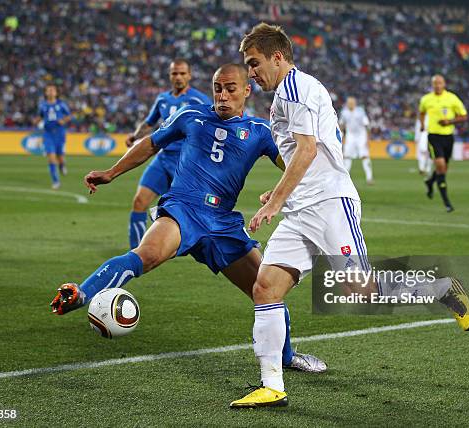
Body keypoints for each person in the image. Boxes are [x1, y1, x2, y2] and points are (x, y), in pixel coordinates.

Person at [235, 23, 469, 408]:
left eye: (254, 62)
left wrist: (275, 200)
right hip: (301, 211)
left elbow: (309, 151)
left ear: (277, 57)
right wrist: (282, 192)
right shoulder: (288, 93)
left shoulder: (295, 88)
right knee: (265, 287)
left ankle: (442, 289)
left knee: (360, 290)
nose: (250, 71)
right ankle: (272, 385)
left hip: (330, 205)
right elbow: (304, 155)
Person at [50, 64, 326, 374]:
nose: (223, 95)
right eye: (217, 88)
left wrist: (279, 195)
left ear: (247, 90)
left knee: (267, 291)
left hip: (224, 223)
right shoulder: (189, 116)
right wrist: (112, 172)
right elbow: (151, 143)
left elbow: (292, 167)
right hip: (184, 209)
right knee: (147, 254)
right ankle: (82, 293)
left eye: (230, 88)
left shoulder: (261, 131)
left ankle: (286, 357)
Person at [125, 59, 211, 249]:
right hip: (162, 158)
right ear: (170, 75)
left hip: (185, 163)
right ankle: (136, 251)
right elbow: (149, 123)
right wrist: (135, 136)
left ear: (189, 75)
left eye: (182, 73)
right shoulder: (163, 99)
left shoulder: (200, 100)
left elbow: (216, 125)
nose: (178, 77)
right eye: (174, 73)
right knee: (139, 201)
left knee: (191, 211)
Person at [419, 75, 468, 212]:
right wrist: (423, 124)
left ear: (444, 84)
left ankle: (430, 182)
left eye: (440, 83)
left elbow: (464, 116)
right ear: (432, 85)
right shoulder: (426, 99)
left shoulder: (452, 98)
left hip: (448, 137)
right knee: (440, 165)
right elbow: (421, 112)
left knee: (443, 168)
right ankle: (447, 203)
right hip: (434, 137)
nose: (437, 85)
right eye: (435, 83)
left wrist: (450, 121)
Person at [38, 84, 72, 189]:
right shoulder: (42, 105)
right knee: (51, 158)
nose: (51, 92)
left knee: (60, 158)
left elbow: (69, 116)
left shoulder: (61, 105)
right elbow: (39, 117)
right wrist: (37, 124)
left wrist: (63, 120)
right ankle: (56, 181)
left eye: (53, 90)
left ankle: (62, 165)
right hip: (48, 134)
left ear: (56, 93)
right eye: (49, 90)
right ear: (46, 93)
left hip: (60, 133)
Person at [339, 97, 373, 184]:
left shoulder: (360, 112)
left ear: (355, 103)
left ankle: (369, 178)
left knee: (364, 155)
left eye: (352, 103)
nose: (350, 104)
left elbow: (367, 126)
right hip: (350, 135)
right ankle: (345, 179)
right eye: (349, 103)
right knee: (347, 156)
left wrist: (368, 139)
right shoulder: (344, 112)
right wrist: (341, 137)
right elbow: (342, 125)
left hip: (361, 135)